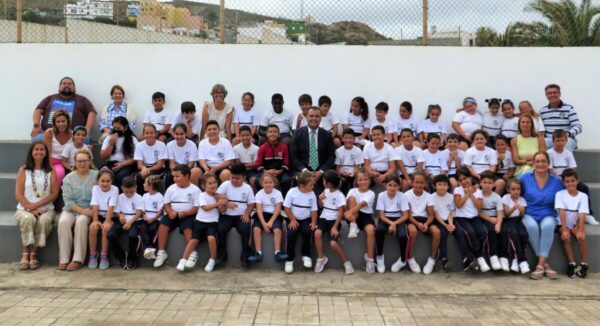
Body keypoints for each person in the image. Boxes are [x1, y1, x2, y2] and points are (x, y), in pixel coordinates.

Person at [15, 142, 59, 270]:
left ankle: (34, 253)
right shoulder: (23, 170)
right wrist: (31, 208)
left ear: (46, 153)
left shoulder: (51, 171)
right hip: (25, 208)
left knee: (44, 221)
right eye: (36, 149)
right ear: (31, 152)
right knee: (29, 219)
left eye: (42, 150)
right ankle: (25, 252)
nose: (39, 152)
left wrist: (38, 206)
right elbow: (18, 193)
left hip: (46, 210)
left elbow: (54, 194)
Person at [520, 151, 564, 280]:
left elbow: (563, 200)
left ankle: (539, 265)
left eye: (543, 161)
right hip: (529, 212)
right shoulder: (524, 178)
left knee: (548, 226)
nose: (540, 164)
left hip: (548, 213)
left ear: (549, 163)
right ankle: (544, 264)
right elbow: (515, 196)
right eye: (537, 161)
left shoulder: (557, 181)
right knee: (532, 227)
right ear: (533, 163)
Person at [152, 164, 200, 268]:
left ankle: (192, 253)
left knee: (188, 228)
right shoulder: (171, 188)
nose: (175, 179)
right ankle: (161, 252)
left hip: (188, 215)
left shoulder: (195, 190)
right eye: (174, 176)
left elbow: (196, 207)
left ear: (187, 176)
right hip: (173, 214)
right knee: (163, 226)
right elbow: (166, 204)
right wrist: (170, 212)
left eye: (177, 176)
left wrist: (187, 213)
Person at [57, 150, 98, 271]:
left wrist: (86, 211)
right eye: (79, 161)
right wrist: (80, 210)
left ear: (89, 161)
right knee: (63, 222)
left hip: (89, 209)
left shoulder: (97, 175)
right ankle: (64, 258)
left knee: (81, 223)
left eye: (85, 161)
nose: (82, 163)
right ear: (75, 162)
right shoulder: (68, 178)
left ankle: (77, 259)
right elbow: (68, 201)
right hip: (72, 209)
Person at [177, 173, 226, 273]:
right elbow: (205, 208)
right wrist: (218, 203)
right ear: (204, 186)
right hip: (200, 221)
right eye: (210, 183)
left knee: (211, 238)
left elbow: (221, 210)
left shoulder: (218, 197)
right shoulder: (201, 195)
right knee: (193, 240)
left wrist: (224, 202)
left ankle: (212, 259)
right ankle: (183, 260)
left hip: (212, 222)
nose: (213, 185)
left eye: (214, 182)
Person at [548, 129, 597, 225]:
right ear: (553, 141)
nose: (560, 143)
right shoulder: (549, 153)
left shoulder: (568, 153)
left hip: (567, 177)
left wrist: (570, 180)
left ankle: (587, 214)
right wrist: (559, 178)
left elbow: (573, 168)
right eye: (557, 140)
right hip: (555, 177)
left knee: (583, 187)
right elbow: (550, 169)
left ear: (566, 141)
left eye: (562, 140)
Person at [31, 77, 96, 143]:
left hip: (74, 135)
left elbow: (92, 113)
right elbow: (38, 110)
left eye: (70, 84)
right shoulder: (50, 98)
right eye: (64, 83)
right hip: (49, 134)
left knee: (86, 139)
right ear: (59, 87)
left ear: (74, 87)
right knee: (37, 138)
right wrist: (36, 126)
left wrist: (87, 129)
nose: (67, 85)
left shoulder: (82, 100)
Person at [216, 163, 255, 268]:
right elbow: (216, 194)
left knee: (245, 229)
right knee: (220, 228)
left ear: (244, 177)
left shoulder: (247, 188)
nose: (234, 180)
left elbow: (251, 204)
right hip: (226, 214)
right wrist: (226, 202)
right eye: (232, 177)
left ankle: (245, 256)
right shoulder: (226, 184)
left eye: (237, 178)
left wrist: (247, 214)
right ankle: (222, 253)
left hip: (241, 215)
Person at [314, 170, 353, 274]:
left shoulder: (339, 195)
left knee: (333, 243)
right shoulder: (325, 191)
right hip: (323, 218)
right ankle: (321, 258)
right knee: (317, 233)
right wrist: (320, 200)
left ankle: (347, 262)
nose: (323, 182)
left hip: (334, 220)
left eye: (324, 180)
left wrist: (335, 226)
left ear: (329, 183)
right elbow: (321, 206)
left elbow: (340, 213)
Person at [290, 106, 336, 194]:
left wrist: (321, 171)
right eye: (311, 116)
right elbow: (294, 157)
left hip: (321, 171)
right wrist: (305, 171)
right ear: (306, 117)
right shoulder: (297, 133)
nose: (314, 118)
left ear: (321, 118)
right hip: (302, 170)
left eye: (317, 116)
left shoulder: (327, 135)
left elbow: (331, 157)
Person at [453, 167, 490, 272]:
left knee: (483, 232)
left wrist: (472, 194)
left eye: (465, 178)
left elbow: (479, 206)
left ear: (470, 177)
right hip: (461, 218)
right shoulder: (457, 190)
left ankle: (474, 257)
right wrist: (466, 194)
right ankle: (479, 257)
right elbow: (458, 205)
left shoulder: (478, 191)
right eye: (460, 180)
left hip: (474, 217)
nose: (463, 182)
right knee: (470, 232)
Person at [556, 169, 589, 278]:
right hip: (563, 223)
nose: (570, 183)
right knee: (566, 237)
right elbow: (561, 212)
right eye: (567, 181)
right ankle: (572, 264)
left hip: (576, 223)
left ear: (577, 181)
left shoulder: (583, 196)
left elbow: (582, 213)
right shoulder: (560, 194)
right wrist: (565, 229)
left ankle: (584, 265)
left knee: (581, 237)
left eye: (573, 181)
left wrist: (580, 229)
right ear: (563, 182)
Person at [283, 171, 318, 274]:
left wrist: (314, 222)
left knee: (308, 231)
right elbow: (287, 207)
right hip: (292, 218)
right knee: (291, 233)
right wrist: (292, 219)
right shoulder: (292, 192)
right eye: (311, 185)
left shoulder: (312, 194)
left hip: (306, 219)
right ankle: (289, 259)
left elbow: (314, 210)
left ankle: (306, 255)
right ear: (302, 185)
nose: (313, 187)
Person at [248, 172, 287, 263]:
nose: (268, 184)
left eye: (270, 182)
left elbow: (277, 209)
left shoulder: (278, 193)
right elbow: (259, 210)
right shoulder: (259, 194)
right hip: (262, 215)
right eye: (265, 182)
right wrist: (264, 224)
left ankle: (277, 253)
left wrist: (270, 222)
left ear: (274, 183)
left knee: (277, 230)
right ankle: (258, 253)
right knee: (256, 229)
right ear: (262, 184)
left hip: (274, 215)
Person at [375, 175, 410, 274]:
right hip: (385, 219)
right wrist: (391, 223)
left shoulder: (402, 196)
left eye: (395, 185)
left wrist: (394, 223)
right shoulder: (381, 195)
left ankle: (403, 260)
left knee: (403, 235)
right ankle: (380, 257)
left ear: (399, 186)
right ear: (385, 185)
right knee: (379, 231)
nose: (392, 188)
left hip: (399, 219)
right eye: (390, 185)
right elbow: (381, 216)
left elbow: (405, 215)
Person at [405, 172, 439, 274]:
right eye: (416, 182)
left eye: (421, 183)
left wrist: (427, 224)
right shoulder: (406, 195)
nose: (419, 185)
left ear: (425, 184)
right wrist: (417, 224)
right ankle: (410, 258)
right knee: (413, 231)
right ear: (412, 182)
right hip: (411, 219)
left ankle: (432, 259)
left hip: (424, 220)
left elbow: (431, 215)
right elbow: (408, 215)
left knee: (437, 232)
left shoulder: (429, 196)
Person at [344, 169, 377, 273]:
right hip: (353, 215)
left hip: (365, 216)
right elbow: (347, 203)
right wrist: (348, 213)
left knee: (371, 230)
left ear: (369, 181)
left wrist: (349, 214)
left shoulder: (371, 193)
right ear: (357, 181)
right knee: (352, 198)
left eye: (365, 179)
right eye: (360, 180)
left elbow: (361, 204)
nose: (363, 182)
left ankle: (370, 260)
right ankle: (353, 225)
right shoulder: (352, 191)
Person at [108, 176, 144, 270]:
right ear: (122, 188)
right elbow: (115, 212)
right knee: (111, 235)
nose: (128, 194)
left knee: (132, 236)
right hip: (122, 220)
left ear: (135, 187)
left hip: (134, 220)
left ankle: (133, 258)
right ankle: (121, 256)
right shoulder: (119, 197)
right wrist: (120, 215)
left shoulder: (139, 197)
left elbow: (139, 213)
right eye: (126, 191)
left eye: (131, 192)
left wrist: (129, 223)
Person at [87, 169, 118, 270]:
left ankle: (104, 255)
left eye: (108, 181)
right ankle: (93, 255)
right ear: (98, 181)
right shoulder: (95, 188)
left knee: (105, 229)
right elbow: (95, 205)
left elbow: (111, 206)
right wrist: (95, 220)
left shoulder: (115, 189)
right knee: (93, 228)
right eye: (102, 181)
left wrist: (107, 221)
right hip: (98, 215)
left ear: (112, 181)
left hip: (110, 215)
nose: (105, 183)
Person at [540, 84, 582, 152]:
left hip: (566, 139)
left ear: (559, 94)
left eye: (555, 92)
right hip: (549, 140)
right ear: (546, 95)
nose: (552, 95)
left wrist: (567, 134)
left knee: (565, 144)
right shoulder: (542, 111)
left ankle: (563, 163)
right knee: (540, 143)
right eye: (549, 93)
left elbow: (578, 127)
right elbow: (540, 129)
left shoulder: (569, 108)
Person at [500, 178, 530, 274]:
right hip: (508, 221)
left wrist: (521, 210)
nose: (516, 191)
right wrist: (514, 207)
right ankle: (522, 260)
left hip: (518, 220)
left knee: (524, 234)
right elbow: (507, 214)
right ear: (508, 189)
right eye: (513, 189)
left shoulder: (522, 200)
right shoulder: (505, 198)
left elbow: (522, 215)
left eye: (518, 189)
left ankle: (515, 260)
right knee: (514, 234)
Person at [100, 116, 138, 189]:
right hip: (111, 163)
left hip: (126, 165)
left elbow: (137, 158)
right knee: (105, 173)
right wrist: (111, 144)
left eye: (119, 128)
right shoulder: (109, 138)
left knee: (121, 175)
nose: (116, 130)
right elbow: (103, 157)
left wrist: (123, 164)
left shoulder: (132, 139)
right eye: (115, 128)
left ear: (125, 128)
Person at [427, 174, 455, 271]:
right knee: (442, 232)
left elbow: (451, 212)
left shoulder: (451, 197)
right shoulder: (432, 197)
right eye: (439, 184)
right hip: (438, 220)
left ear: (448, 186)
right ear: (434, 186)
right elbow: (436, 214)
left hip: (448, 220)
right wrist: (445, 225)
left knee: (459, 231)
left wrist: (451, 224)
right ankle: (444, 258)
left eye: (444, 184)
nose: (442, 186)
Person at [254, 124, 292, 195]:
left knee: (287, 180)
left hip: (280, 172)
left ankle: (283, 199)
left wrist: (279, 171)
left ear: (278, 134)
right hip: (266, 172)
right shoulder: (262, 148)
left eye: (275, 132)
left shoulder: (284, 147)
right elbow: (258, 164)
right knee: (257, 180)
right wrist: (266, 171)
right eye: (270, 132)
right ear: (267, 134)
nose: (272, 134)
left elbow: (286, 163)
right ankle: (260, 198)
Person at [477, 171, 504, 271]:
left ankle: (503, 257)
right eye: (484, 182)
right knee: (490, 230)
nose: (487, 185)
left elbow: (500, 212)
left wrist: (499, 224)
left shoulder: (497, 197)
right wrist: (490, 219)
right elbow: (478, 212)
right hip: (483, 219)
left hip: (495, 218)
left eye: (489, 183)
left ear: (494, 184)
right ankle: (493, 256)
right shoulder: (478, 195)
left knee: (502, 231)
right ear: (480, 183)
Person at [463, 130, 504, 195]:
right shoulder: (469, 151)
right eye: (477, 139)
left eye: (482, 139)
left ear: (486, 140)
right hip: (474, 176)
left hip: (489, 175)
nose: (479, 141)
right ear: (473, 140)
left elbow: (493, 166)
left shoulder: (492, 151)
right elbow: (468, 167)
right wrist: (478, 176)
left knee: (501, 182)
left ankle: (493, 199)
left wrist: (487, 177)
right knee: (476, 186)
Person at [134, 124, 167, 194]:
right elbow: (139, 165)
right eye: (147, 133)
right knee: (140, 176)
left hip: (157, 169)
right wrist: (144, 168)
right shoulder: (139, 145)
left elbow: (159, 165)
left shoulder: (161, 145)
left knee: (150, 177)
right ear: (143, 134)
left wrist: (147, 170)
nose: (149, 135)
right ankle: (141, 196)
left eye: (152, 133)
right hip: (144, 168)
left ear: (156, 134)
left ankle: (153, 196)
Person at [166, 123, 202, 188]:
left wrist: (181, 173)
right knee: (169, 177)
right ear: (174, 134)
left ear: (185, 134)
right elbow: (171, 163)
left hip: (188, 169)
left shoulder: (192, 145)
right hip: (176, 169)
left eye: (181, 134)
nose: (179, 136)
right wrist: (176, 173)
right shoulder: (170, 145)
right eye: (177, 134)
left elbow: (191, 164)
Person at [44, 109, 72, 186]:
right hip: (53, 162)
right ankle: (53, 194)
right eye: (58, 122)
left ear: (68, 121)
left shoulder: (72, 134)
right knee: (59, 172)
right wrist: (49, 168)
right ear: (54, 123)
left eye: (63, 121)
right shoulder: (49, 133)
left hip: (67, 161)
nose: (61, 124)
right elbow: (47, 153)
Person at [335, 128, 364, 194]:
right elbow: (337, 167)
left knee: (356, 181)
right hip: (342, 174)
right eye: (346, 138)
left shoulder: (358, 150)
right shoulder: (338, 151)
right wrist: (341, 173)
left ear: (354, 139)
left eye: (350, 138)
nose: (348, 140)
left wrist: (352, 174)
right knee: (340, 182)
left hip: (354, 174)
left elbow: (357, 167)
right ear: (342, 139)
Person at [141, 175, 163, 260]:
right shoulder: (144, 196)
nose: (143, 184)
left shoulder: (159, 196)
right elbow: (142, 209)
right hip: (145, 218)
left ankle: (151, 248)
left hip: (155, 219)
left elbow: (160, 211)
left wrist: (153, 218)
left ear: (150, 186)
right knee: (143, 228)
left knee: (152, 229)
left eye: (145, 183)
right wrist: (144, 216)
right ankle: (147, 248)